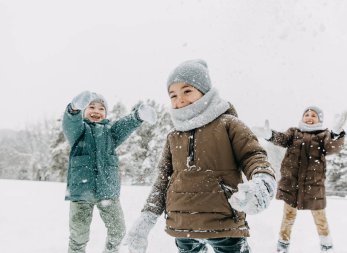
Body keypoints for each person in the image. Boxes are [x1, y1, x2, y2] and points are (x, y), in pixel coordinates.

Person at [120, 59, 277, 253]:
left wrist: (262, 181)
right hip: (183, 225)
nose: (180, 100)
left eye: (187, 91)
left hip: (223, 224)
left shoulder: (229, 124)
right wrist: (146, 219)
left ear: (206, 92)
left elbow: (253, 156)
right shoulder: (173, 136)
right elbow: (162, 180)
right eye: (173, 95)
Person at [62, 91, 157, 253]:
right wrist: (73, 109)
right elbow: (70, 122)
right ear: (84, 111)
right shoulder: (79, 132)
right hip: (81, 193)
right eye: (91, 107)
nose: (96, 111)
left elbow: (124, 126)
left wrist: (138, 116)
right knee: (78, 235)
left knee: (118, 231)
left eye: (101, 109)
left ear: (105, 113)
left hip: (108, 190)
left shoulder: (110, 133)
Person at [252, 106, 347, 253]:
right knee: (288, 217)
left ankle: (327, 245)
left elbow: (332, 148)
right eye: (307, 114)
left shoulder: (323, 136)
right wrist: (270, 135)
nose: (309, 117)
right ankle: (282, 245)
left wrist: (336, 134)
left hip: (314, 186)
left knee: (320, 219)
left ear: (319, 120)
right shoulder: (294, 133)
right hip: (292, 184)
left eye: (313, 116)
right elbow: (282, 139)